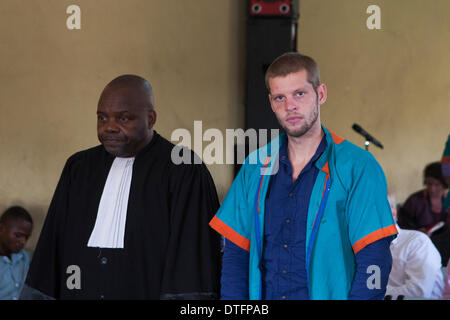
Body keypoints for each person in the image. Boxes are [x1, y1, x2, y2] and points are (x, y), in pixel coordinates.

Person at [209, 52, 397, 300]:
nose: (290, 106)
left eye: (299, 93)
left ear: (320, 94)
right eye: (280, 97)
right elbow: (236, 256)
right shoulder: (255, 166)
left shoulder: (358, 167)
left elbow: (375, 259)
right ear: (271, 102)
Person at [21, 74, 221, 300]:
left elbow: (192, 259)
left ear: (151, 119)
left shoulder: (183, 168)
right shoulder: (78, 168)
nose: (110, 127)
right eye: (102, 118)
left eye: (123, 119)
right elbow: (52, 247)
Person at [386, 195, 444, 299]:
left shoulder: (416, 242)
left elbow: (419, 292)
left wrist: (373, 292)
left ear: (393, 213)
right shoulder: (364, 248)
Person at [0, 206, 33, 300]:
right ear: (1, 229)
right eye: (18, 235)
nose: (23, 242)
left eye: (26, 237)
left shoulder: (26, 258)